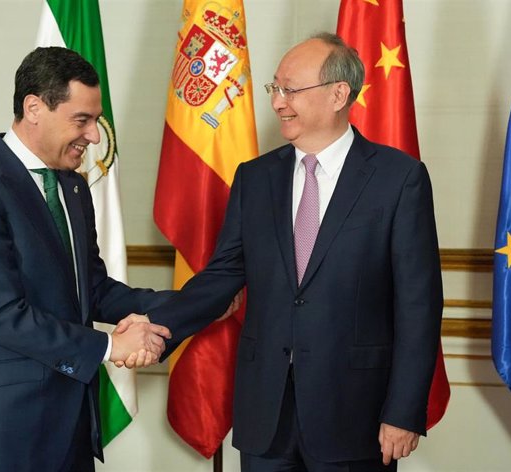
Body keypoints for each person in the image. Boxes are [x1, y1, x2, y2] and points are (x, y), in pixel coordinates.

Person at [140, 32, 443, 471]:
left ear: (339, 94)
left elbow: (419, 305)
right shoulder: (255, 178)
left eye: (291, 90)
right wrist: (158, 325)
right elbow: (222, 275)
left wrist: (403, 411)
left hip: (355, 416)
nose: (278, 102)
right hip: (265, 416)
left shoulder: (399, 179)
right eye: (275, 89)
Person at [0, 47, 174, 472]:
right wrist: (111, 345)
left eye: (95, 121)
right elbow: (2, 314)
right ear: (34, 108)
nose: (95, 136)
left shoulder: (73, 188)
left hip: (70, 424)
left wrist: (186, 303)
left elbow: (93, 289)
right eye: (82, 120)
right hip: (2, 431)